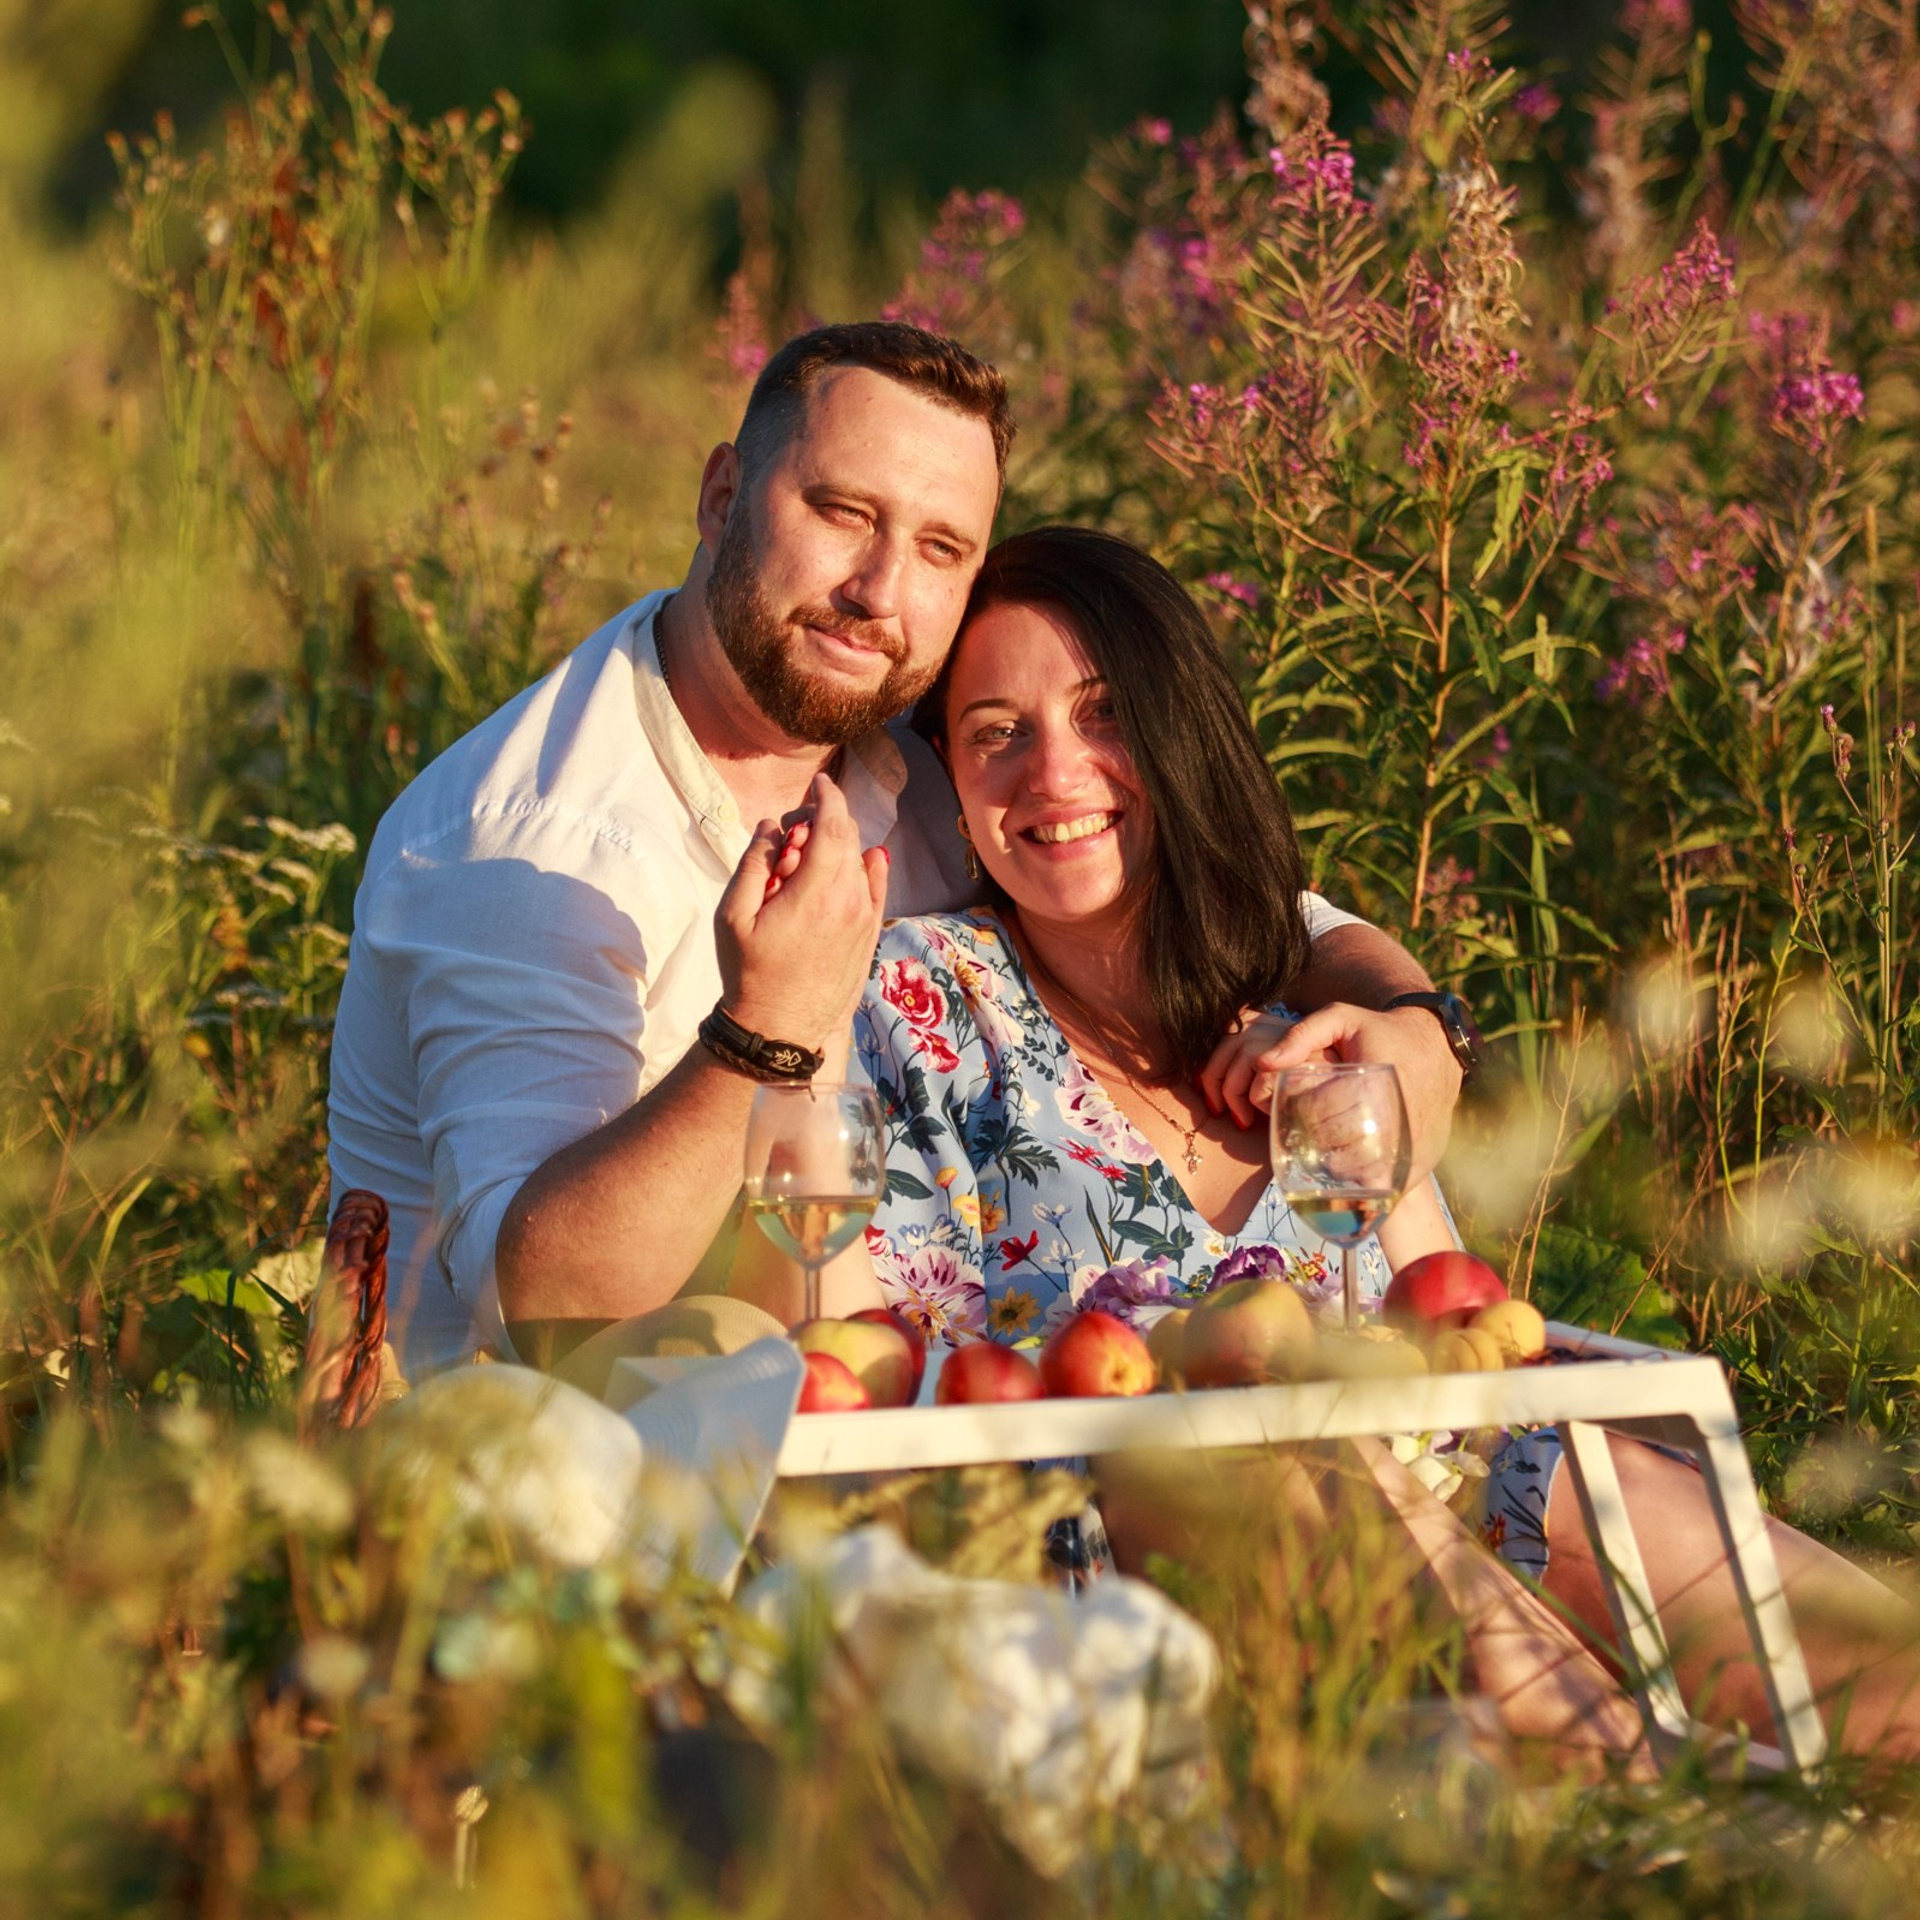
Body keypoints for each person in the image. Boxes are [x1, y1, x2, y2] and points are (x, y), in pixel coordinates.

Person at [845, 524, 1920, 1765]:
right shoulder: (919, 1000)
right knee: (1361, 1509)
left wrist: (1387, 1053)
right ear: (951, 777)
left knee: (1871, 1676)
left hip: (1439, 1477)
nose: (1055, 772)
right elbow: (899, 1376)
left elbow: (1440, 1316)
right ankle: (1641, 1819)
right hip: (1139, 1527)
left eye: (1102, 713)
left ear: (1182, 731)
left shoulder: (1308, 992)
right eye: (996, 733)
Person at [326, 320, 1467, 1378]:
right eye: (840, 512)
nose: (879, 592)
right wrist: (761, 1037)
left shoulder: (918, 749)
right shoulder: (528, 847)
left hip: (870, 1400)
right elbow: (552, 1313)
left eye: (938, 547)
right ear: (722, 494)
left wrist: (1416, 1023)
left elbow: (1184, 876)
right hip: (595, 1487)